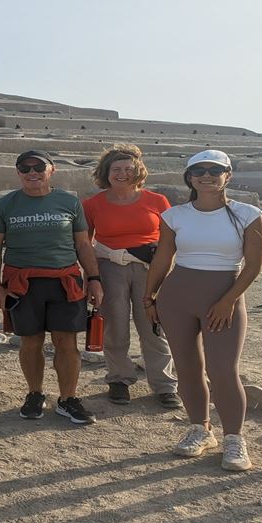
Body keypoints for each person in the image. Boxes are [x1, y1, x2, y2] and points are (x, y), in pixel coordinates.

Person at [144, 150, 262, 471]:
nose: (207, 175)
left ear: (229, 174)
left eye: (215, 170)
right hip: (176, 297)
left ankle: (234, 439)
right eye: (199, 170)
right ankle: (200, 428)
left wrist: (229, 300)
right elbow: (162, 260)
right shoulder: (175, 215)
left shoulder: (247, 214)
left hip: (224, 298)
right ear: (189, 177)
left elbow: (253, 265)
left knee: (223, 370)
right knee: (187, 367)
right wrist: (149, 298)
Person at [0, 150, 103, 425]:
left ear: (52, 170)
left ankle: (68, 398)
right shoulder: (5, 205)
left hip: (65, 282)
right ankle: (34, 394)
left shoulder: (69, 202)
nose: (32, 172)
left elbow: (83, 244)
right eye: (24, 168)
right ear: (18, 173)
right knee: (30, 341)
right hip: (22, 284)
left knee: (67, 342)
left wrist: (94, 278)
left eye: (38, 166)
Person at [82, 143, 180, 408]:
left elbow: (170, 240)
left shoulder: (157, 201)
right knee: (115, 325)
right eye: (116, 169)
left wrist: (167, 273)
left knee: (153, 325)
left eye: (128, 168)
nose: (122, 174)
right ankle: (119, 379)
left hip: (149, 269)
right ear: (106, 172)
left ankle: (164, 385)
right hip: (109, 267)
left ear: (138, 170)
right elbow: (84, 243)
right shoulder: (92, 205)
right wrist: (90, 278)